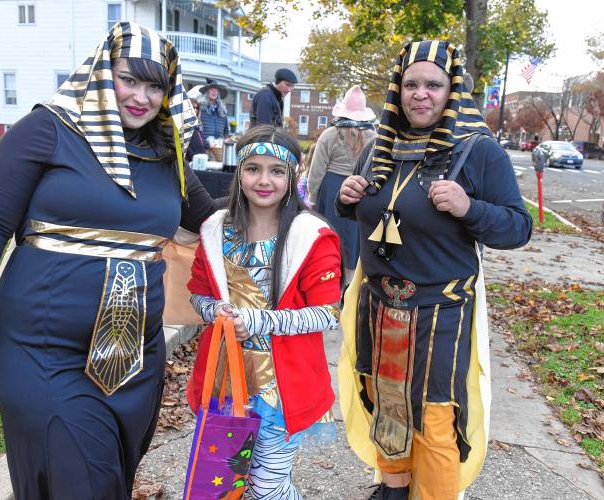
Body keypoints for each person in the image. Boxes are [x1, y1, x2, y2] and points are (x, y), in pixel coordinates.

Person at [0, 22, 217, 498]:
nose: (141, 97)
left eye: (155, 85)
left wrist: (290, 206)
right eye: (130, 79)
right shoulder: (47, 130)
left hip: (133, 358)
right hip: (40, 349)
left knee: (109, 477)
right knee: (82, 481)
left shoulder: (169, 153)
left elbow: (213, 222)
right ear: (104, 73)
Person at [336, 40, 533, 500]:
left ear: (452, 91)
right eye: (410, 84)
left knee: (436, 419)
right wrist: (347, 200)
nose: (420, 94)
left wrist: (470, 208)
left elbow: (518, 228)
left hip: (440, 310)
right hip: (378, 303)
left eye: (433, 85)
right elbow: (378, 218)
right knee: (387, 407)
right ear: (397, 91)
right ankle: (393, 490)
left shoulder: (477, 151)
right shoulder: (379, 147)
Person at [186, 124, 342, 498]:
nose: (264, 180)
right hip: (225, 379)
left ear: (293, 175)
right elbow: (197, 295)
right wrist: (216, 310)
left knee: (265, 484)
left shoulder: (311, 236)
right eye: (253, 168)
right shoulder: (213, 230)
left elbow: (328, 313)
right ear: (238, 172)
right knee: (224, 482)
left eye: (276, 170)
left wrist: (258, 320)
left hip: (282, 385)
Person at [308, 84, 376, 284]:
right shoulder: (374, 137)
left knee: (330, 233)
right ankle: (351, 281)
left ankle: (327, 276)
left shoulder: (329, 134)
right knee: (354, 238)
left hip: (332, 188)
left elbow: (317, 169)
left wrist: (313, 197)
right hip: (360, 189)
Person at [199, 79, 230, 161]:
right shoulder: (201, 110)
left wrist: (226, 139)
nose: (214, 92)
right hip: (204, 151)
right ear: (207, 92)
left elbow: (226, 132)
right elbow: (197, 131)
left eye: (216, 90)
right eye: (211, 89)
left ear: (218, 93)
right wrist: (206, 143)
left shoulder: (223, 112)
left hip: (219, 151)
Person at [186, 85, 207, 161]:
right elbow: (185, 146)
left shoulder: (197, 125)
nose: (195, 110)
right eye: (193, 107)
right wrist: (194, 158)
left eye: (196, 108)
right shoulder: (184, 125)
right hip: (190, 162)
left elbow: (201, 142)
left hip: (200, 160)